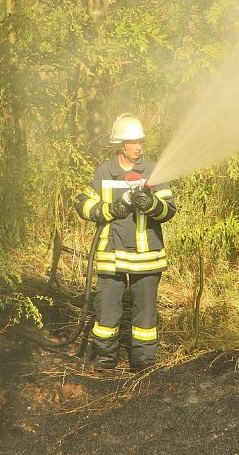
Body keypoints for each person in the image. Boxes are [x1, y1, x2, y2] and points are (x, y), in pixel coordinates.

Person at [73, 113, 176, 370]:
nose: (138, 146)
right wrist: (111, 209)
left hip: (146, 259)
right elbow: (83, 204)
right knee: (106, 314)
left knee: (145, 320)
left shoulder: (153, 171)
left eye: (141, 141)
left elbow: (169, 210)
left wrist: (152, 204)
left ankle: (143, 367)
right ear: (121, 144)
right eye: (132, 142)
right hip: (112, 256)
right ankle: (104, 363)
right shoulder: (104, 172)